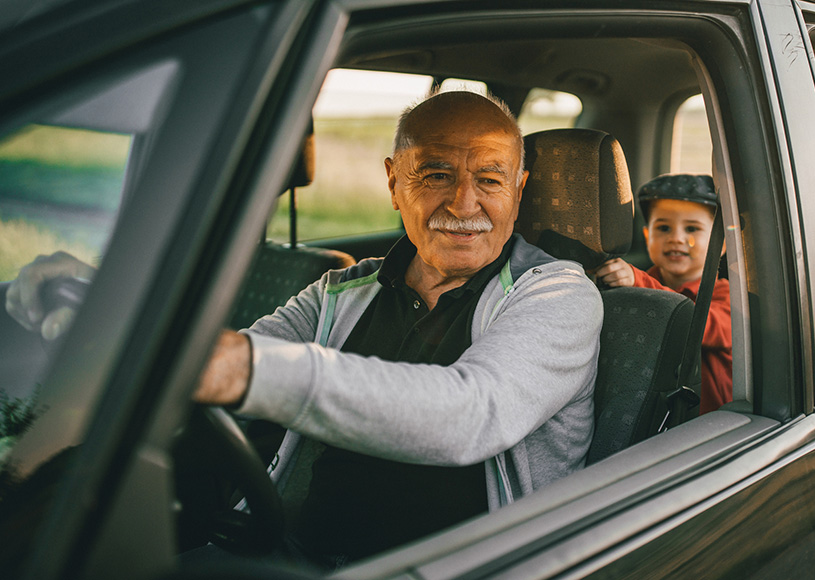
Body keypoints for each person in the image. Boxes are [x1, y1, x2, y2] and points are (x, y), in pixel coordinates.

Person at [6, 90, 602, 568]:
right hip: (296, 548)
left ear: (518, 190)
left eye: (491, 179)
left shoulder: (557, 293)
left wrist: (239, 366)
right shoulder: (341, 289)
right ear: (394, 181)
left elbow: (472, 415)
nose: (465, 202)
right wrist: (112, 302)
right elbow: (233, 350)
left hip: (462, 566)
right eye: (436, 175)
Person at [593, 174, 731, 413]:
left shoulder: (726, 296)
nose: (676, 238)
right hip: (649, 413)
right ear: (648, 237)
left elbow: (700, 325)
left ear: (721, 245)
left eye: (692, 228)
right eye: (664, 228)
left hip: (708, 424)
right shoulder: (637, 285)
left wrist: (639, 282)